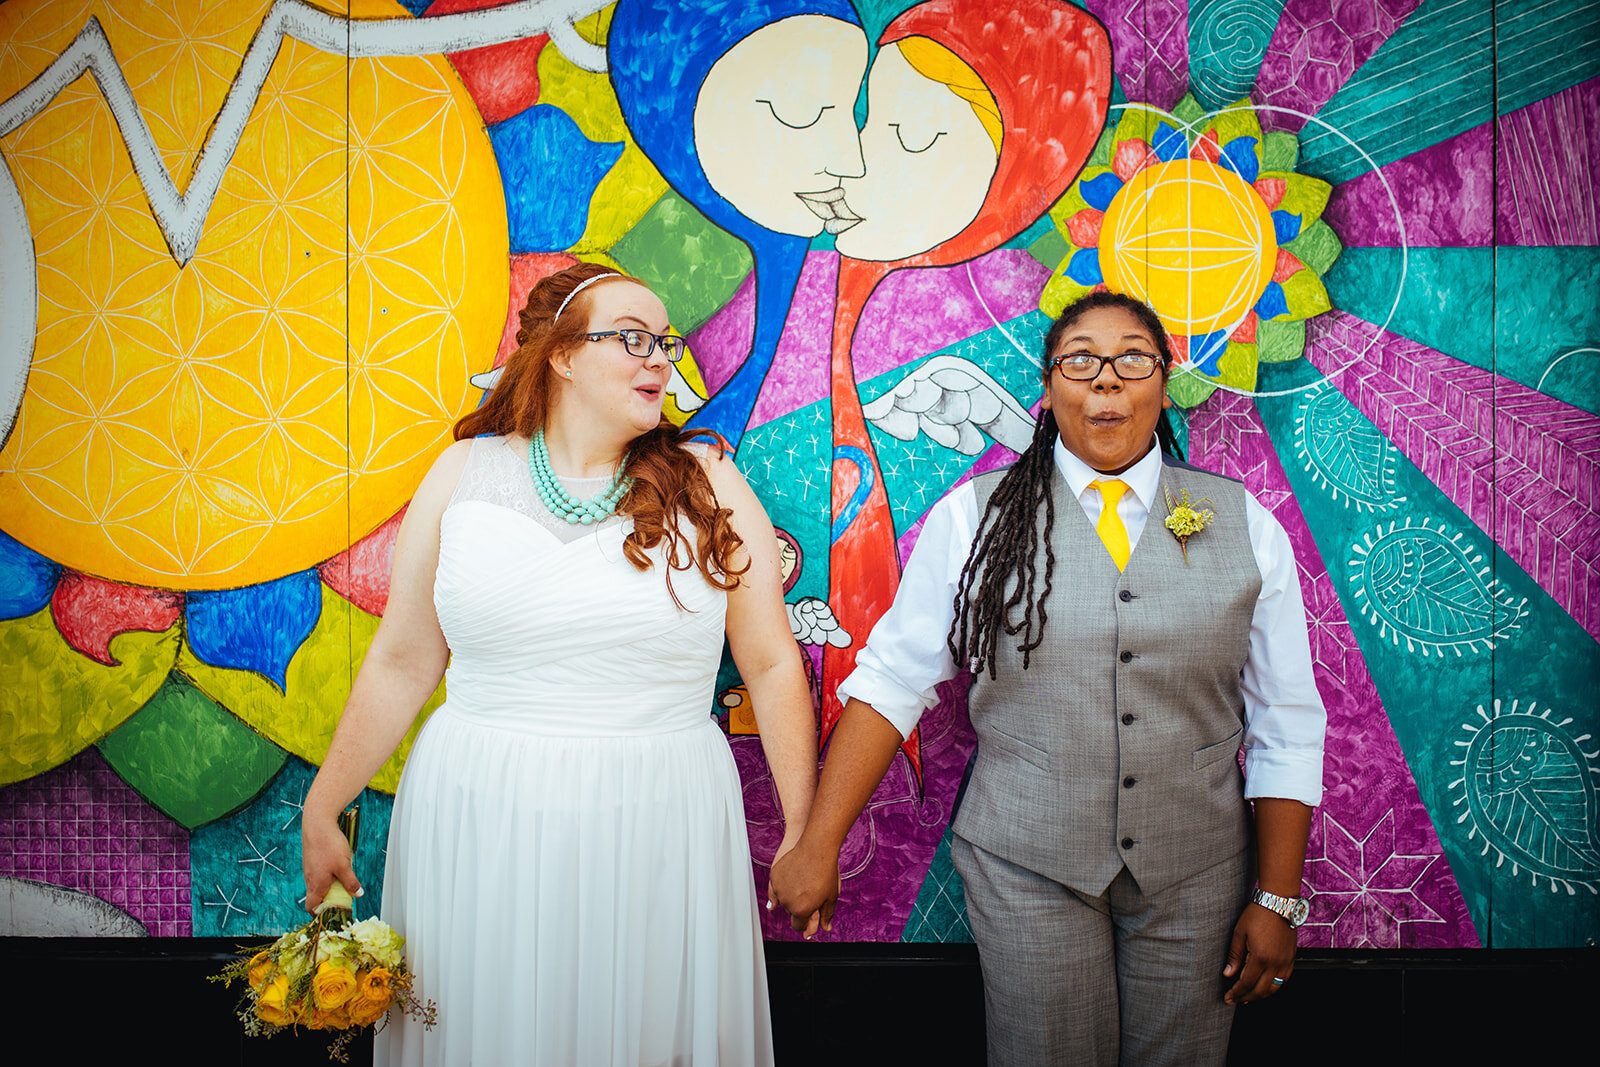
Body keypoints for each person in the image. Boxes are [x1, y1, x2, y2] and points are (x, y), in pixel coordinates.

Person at [769, 291, 1326, 1065]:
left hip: (1197, 869)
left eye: (1133, 358)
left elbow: (1287, 721)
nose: (1107, 380)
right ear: (1049, 385)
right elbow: (893, 681)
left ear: (1164, 383)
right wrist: (819, 841)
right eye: (1081, 360)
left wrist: (1275, 897)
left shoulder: (1244, 524)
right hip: (1026, 861)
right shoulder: (974, 518)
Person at [301, 263, 816, 1065]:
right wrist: (324, 804)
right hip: (479, 820)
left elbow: (773, 664)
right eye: (633, 339)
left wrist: (801, 828)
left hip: (658, 820)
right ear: (562, 355)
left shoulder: (708, 482)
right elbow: (403, 659)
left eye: (666, 343)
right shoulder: (463, 475)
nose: (661, 361)